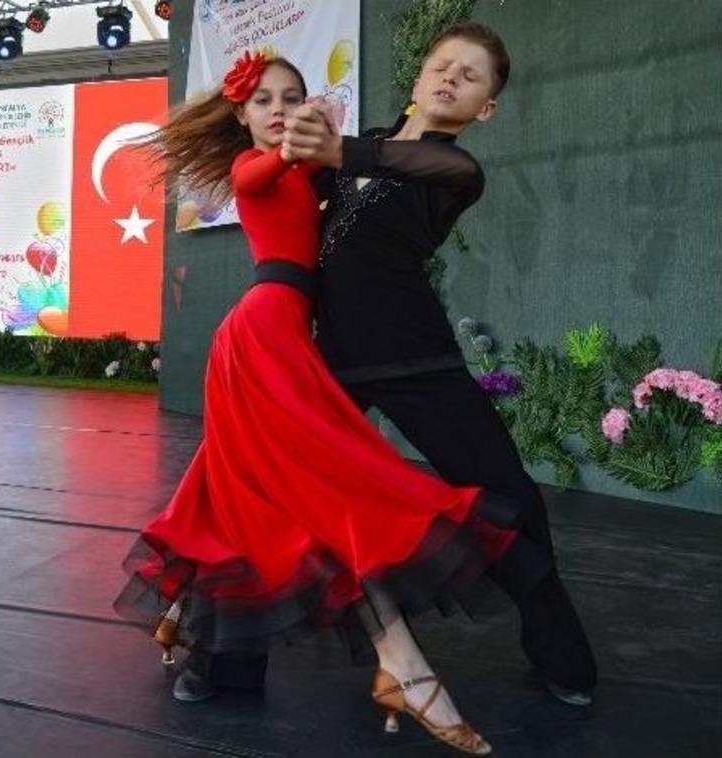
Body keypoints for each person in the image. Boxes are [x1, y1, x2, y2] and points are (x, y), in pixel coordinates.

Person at [115, 52, 554, 756]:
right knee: (331, 486)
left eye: (292, 96)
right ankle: (403, 667)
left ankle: (190, 616)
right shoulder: (255, 168)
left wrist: (332, 148)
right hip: (263, 337)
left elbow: (386, 174)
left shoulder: (322, 169)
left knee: (255, 491)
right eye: (263, 101)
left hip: (291, 337)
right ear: (241, 116)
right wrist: (298, 143)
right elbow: (262, 171)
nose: (281, 109)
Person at [281, 22, 597, 705]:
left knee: (512, 501)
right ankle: (222, 658)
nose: (451, 76)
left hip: (416, 360)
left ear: (485, 108)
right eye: (442, 65)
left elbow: (422, 164)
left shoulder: (454, 170)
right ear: (419, 78)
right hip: (332, 361)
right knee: (264, 485)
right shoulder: (356, 146)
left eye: (471, 75)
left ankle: (562, 657)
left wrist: (340, 147)